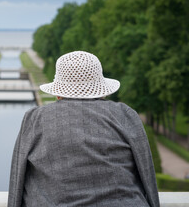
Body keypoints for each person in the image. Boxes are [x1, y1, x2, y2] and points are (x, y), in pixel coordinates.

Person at [8, 51, 159, 207]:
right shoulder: (125, 115)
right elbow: (147, 174)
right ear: (102, 91)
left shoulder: (35, 118)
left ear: (58, 93)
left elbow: (17, 179)